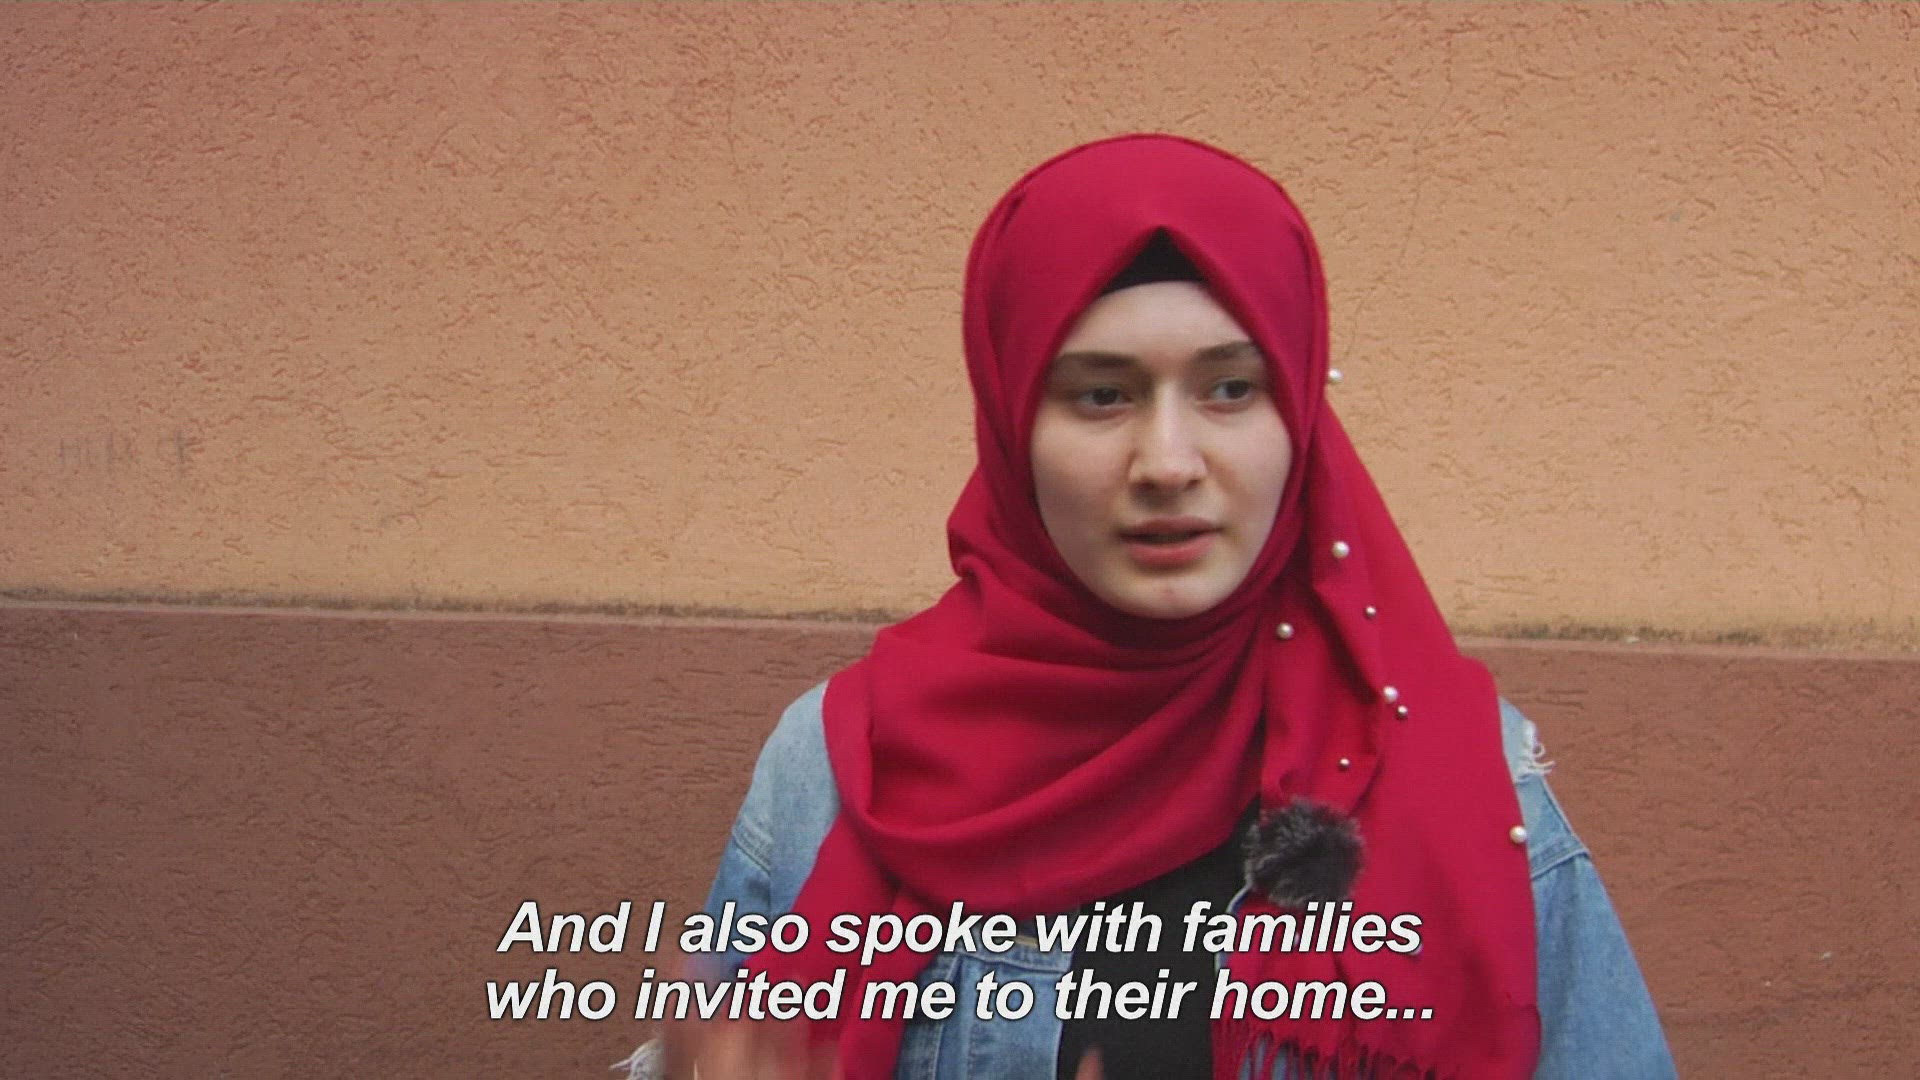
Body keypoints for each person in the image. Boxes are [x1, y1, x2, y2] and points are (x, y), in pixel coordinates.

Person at [621, 134, 1674, 1079]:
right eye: (1102, 394)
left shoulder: (1468, 778)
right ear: (1011, 424)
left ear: (1299, 413)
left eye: (1230, 389)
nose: (1168, 462)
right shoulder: (837, 765)